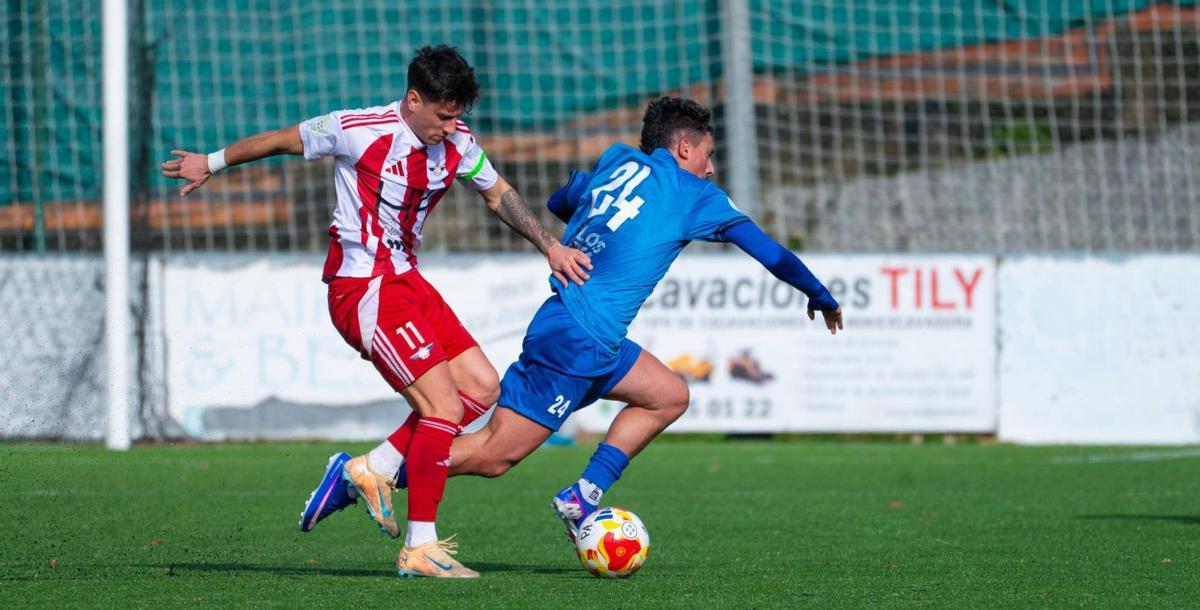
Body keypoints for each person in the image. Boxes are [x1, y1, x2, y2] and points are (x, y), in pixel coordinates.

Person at [161, 45, 591, 578]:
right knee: (443, 410)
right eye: (443, 113)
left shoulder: (458, 144)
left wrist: (549, 245)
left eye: (459, 114)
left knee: (481, 388)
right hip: (362, 287)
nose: (452, 124)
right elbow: (281, 140)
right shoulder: (357, 129)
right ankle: (420, 546)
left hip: (408, 281)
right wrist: (212, 162)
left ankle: (372, 468)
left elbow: (498, 193)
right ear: (414, 100)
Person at [423, 96, 843, 542]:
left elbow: (560, 197)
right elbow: (769, 252)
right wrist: (819, 294)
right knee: (492, 455)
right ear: (684, 149)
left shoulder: (618, 159)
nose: (711, 168)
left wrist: (599, 225)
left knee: (668, 395)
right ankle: (375, 472)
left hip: (590, 336)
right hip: (578, 339)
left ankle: (582, 496)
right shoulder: (698, 195)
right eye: (708, 154)